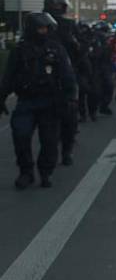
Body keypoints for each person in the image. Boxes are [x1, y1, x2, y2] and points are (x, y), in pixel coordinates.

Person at [0, 13, 76, 189]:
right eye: (41, 28)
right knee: (20, 135)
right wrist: (2, 97)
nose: (44, 31)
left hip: (50, 102)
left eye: (46, 28)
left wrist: (70, 96)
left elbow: (67, 74)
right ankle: (26, 172)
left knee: (49, 141)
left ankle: (45, 172)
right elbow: (9, 76)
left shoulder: (56, 49)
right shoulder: (19, 50)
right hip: (26, 101)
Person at [44, 0, 85, 166]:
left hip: (63, 75)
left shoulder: (68, 26)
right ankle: (61, 150)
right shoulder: (44, 23)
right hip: (51, 77)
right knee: (62, 116)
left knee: (69, 116)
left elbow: (80, 50)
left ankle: (66, 149)